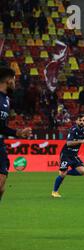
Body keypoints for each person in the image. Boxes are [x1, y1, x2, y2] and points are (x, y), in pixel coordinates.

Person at [0, 67, 33, 203]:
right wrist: (17, 133)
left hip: (0, 145)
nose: (15, 83)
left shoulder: (6, 100)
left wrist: (18, 133)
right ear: (8, 80)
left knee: (1, 187)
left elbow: (1, 127)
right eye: (14, 79)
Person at [52, 113, 84, 198]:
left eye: (83, 120)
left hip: (74, 155)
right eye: (80, 120)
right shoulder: (73, 130)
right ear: (76, 121)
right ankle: (54, 191)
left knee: (82, 171)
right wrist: (81, 141)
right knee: (62, 175)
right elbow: (68, 143)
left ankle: (65, 172)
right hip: (66, 154)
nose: (82, 122)